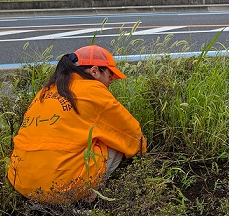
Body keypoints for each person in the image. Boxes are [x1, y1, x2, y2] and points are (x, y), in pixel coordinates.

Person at [8, 45, 146, 204]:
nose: (111, 81)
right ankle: (87, 198)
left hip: (20, 181)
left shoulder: (46, 90)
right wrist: (141, 155)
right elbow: (133, 134)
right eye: (110, 75)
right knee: (114, 138)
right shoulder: (93, 91)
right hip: (62, 188)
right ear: (94, 71)